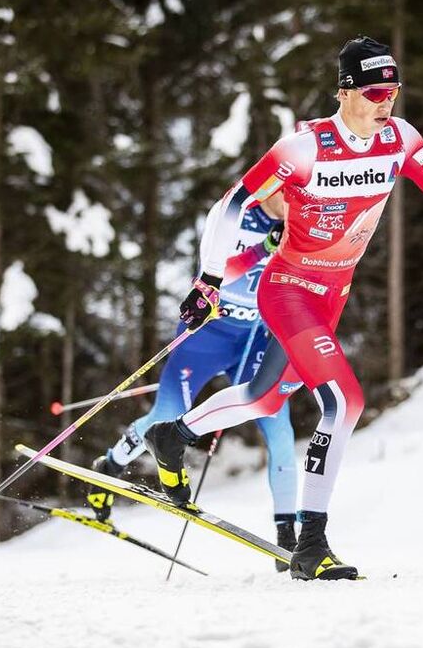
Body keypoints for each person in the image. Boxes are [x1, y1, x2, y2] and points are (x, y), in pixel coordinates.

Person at [143, 35, 423, 580]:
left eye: (394, 92)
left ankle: (173, 436)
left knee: (263, 399)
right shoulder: (305, 148)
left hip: (333, 295)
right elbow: (230, 205)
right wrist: (210, 281)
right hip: (286, 289)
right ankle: (312, 543)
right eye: (376, 91)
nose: (387, 103)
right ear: (346, 91)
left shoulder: (399, 139)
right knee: (345, 401)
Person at [86, 191, 301, 571]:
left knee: (279, 426)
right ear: (274, 186)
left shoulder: (302, 220)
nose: (297, 200)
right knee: (167, 414)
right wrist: (265, 247)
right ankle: (111, 466)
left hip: (252, 340)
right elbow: (221, 272)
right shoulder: (234, 216)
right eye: (291, 191)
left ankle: (288, 536)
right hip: (207, 335)